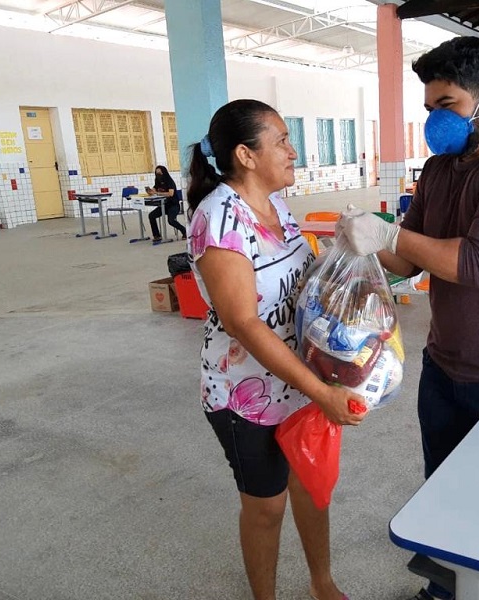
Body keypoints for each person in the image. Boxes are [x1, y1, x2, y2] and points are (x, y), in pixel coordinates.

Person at [337, 37, 479, 600]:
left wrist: (390, 233)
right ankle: (448, 589)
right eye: (430, 107)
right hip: (444, 366)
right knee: (445, 497)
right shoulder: (440, 170)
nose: (435, 119)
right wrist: (360, 246)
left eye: (447, 104)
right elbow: (409, 258)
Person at [186, 99, 366, 600]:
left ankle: (321, 582)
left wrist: (342, 265)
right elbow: (243, 323)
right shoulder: (218, 220)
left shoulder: (277, 206)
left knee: (312, 486)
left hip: (301, 380)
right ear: (246, 154)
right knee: (267, 506)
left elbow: (296, 283)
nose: (293, 151)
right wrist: (321, 391)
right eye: (282, 140)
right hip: (247, 393)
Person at [147, 165, 186, 244]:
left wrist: (157, 193)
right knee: (151, 216)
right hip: (164, 205)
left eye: (159, 173)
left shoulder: (169, 181)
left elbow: (170, 194)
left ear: (163, 172)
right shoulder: (157, 181)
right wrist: (149, 191)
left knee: (171, 221)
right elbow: (153, 190)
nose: (158, 175)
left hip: (173, 205)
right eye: (156, 173)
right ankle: (157, 235)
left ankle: (184, 231)